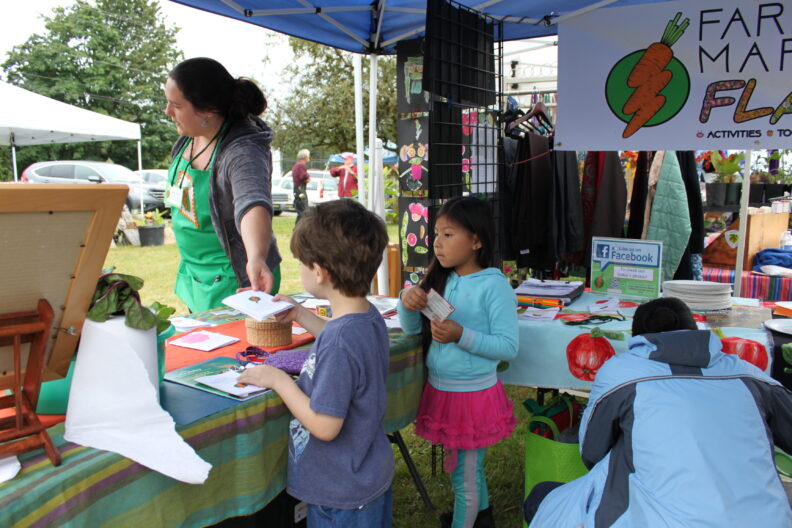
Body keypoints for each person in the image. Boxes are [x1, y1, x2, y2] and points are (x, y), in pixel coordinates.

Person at [524, 297, 792, 527]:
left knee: (542, 496)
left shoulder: (621, 373)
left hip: (655, 519)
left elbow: (591, 452)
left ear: (639, 338)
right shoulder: (748, 375)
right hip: (768, 520)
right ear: (695, 331)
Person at [239, 199, 394, 527]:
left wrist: (278, 380)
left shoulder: (341, 340)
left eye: (300, 263)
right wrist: (300, 314)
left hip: (342, 493)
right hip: (365, 476)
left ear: (320, 272)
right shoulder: (366, 317)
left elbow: (325, 426)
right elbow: (343, 346)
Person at [397, 196, 519, 528]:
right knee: (465, 471)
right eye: (436, 233)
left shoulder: (494, 286)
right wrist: (406, 302)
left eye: (448, 234)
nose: (437, 242)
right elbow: (412, 330)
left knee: (465, 477)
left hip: (473, 396)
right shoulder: (441, 278)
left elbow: (508, 347)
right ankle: (483, 519)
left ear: (476, 241)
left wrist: (461, 335)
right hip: (443, 390)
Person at [164, 57, 281, 313]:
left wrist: (256, 256)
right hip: (194, 275)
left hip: (234, 280)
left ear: (208, 110)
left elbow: (252, 203)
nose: (167, 111)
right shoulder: (187, 140)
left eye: (176, 105)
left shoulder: (243, 150)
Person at [292, 149, 311, 223]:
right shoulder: (301, 165)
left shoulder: (297, 165)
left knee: (301, 211)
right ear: (305, 157)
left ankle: (299, 227)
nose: (309, 157)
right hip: (300, 191)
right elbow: (303, 177)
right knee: (304, 210)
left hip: (297, 190)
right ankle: (300, 227)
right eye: (308, 156)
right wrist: (308, 178)